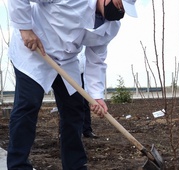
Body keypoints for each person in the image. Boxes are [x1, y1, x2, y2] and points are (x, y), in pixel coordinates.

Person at [7, 0, 137, 169]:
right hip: (34, 51)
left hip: (66, 61)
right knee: (28, 105)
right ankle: (18, 165)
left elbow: (96, 59)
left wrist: (96, 96)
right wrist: (25, 28)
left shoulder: (111, 27)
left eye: (124, 9)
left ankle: (75, 165)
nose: (120, 10)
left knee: (74, 110)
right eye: (120, 3)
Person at [78, 48, 98, 139]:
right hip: (69, 73)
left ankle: (87, 130)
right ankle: (66, 132)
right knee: (68, 104)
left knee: (85, 103)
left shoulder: (87, 44)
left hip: (83, 74)